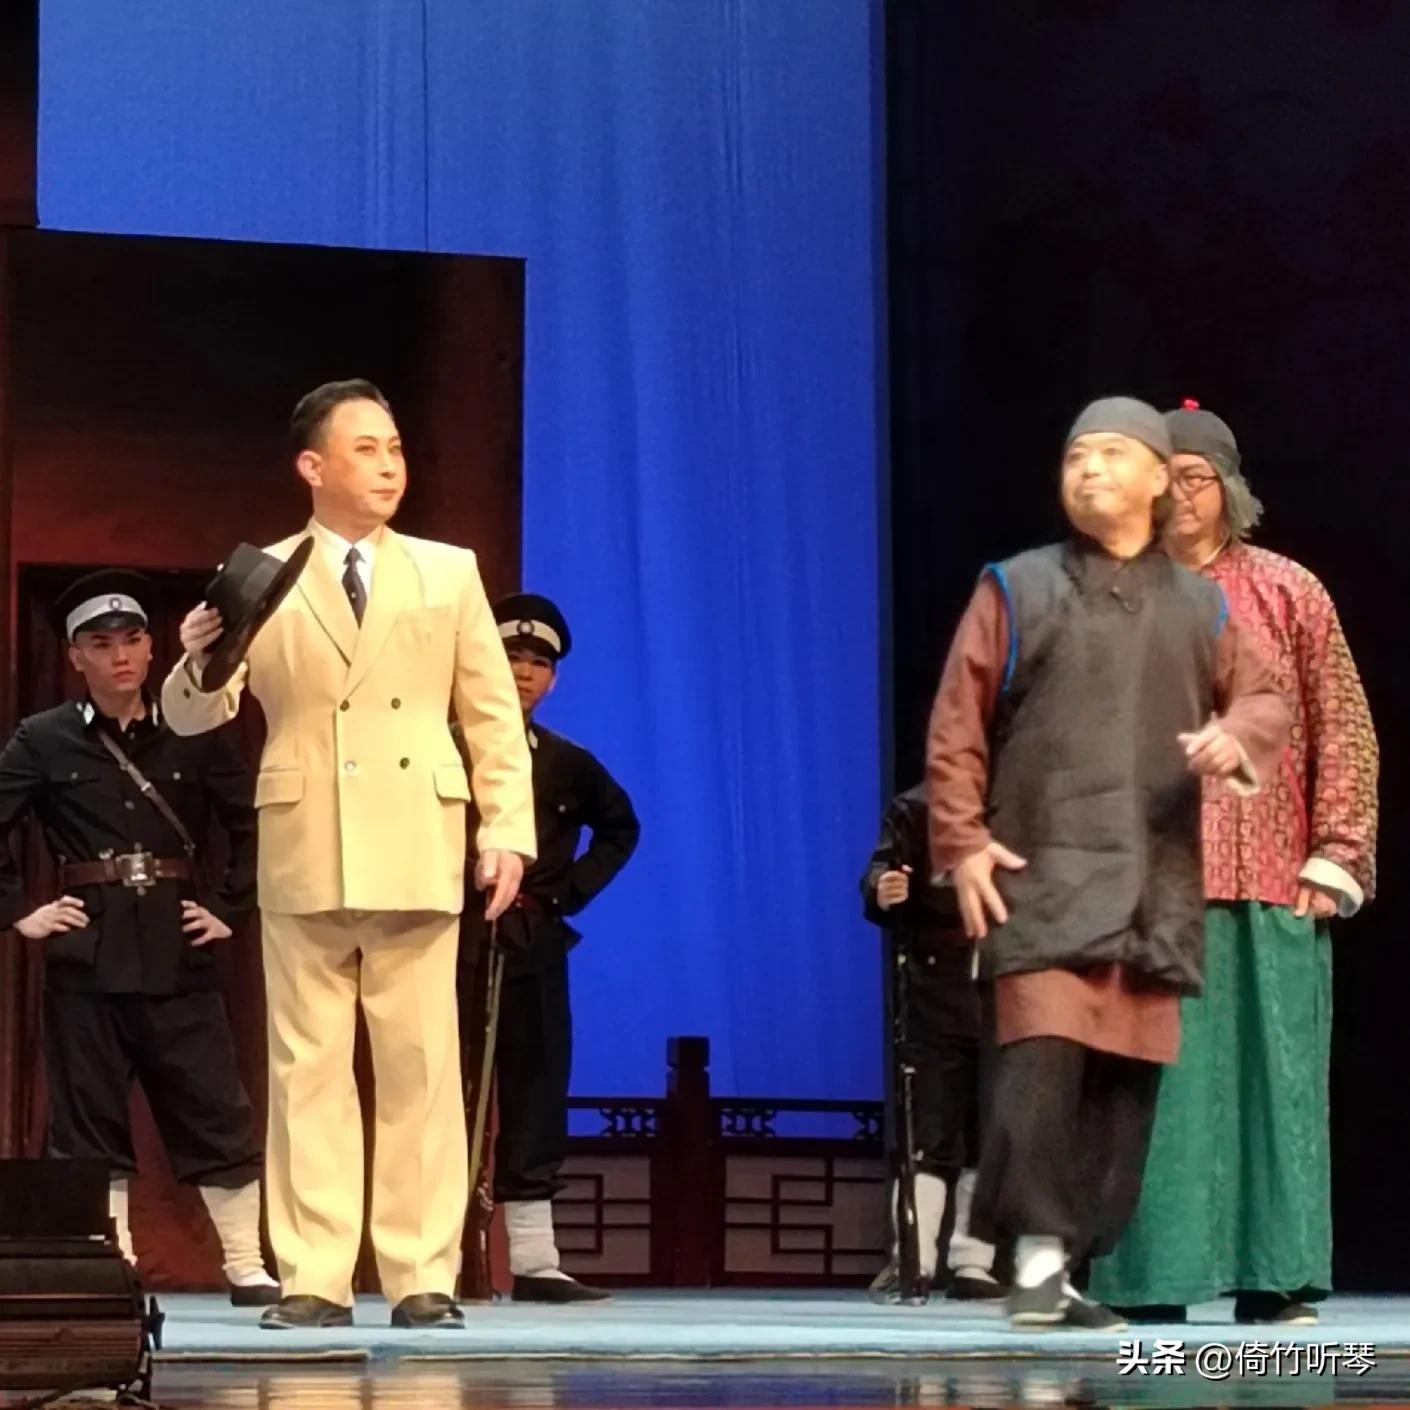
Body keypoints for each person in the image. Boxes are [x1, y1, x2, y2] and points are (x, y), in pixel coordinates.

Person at [161, 379, 535, 1330]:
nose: (387, 465)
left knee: (420, 1064)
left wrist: (505, 830)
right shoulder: (265, 572)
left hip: (415, 830)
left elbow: (491, 714)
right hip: (308, 834)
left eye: (395, 448)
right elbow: (196, 715)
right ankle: (315, 1274)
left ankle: (420, 1272)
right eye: (365, 449)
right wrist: (198, 655)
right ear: (312, 465)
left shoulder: (447, 571)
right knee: (307, 1068)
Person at [925, 397, 1290, 1330]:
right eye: (1075, 456)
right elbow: (958, 725)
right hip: (1040, 868)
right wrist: (961, 841)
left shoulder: (1200, 604)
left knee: (1121, 1092)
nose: (1088, 470)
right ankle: (1037, 1260)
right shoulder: (1017, 587)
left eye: (1112, 454)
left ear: (1161, 477)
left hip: (1152, 880)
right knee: (1040, 1069)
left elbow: (1264, 700)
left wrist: (1235, 737)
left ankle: (1067, 1265)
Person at [1089, 400, 1379, 1327]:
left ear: (1227, 489)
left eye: (1196, 478)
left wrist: (1338, 854)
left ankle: (1276, 1278)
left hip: (1271, 877)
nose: (1178, 495)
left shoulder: (1290, 590)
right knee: (1152, 1087)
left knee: (1273, 1082)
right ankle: (1149, 1279)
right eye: (1162, 478)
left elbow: (1344, 726)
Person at [0, 569, 277, 1304]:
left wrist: (231, 907)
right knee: (88, 1119)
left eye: (132, 639)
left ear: (153, 649)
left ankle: (246, 1263)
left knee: (215, 1107)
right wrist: (18, 911)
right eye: (101, 644)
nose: (120, 655)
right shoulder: (43, 738)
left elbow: (256, 823)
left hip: (178, 944)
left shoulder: (196, 727)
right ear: (75, 657)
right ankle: (111, 1266)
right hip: (87, 952)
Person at [459, 593, 640, 1303]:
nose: (525, 672)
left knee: (536, 1090)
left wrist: (568, 893)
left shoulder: (568, 763)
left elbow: (621, 828)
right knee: (445, 1093)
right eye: (512, 656)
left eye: (540, 662)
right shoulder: (442, 747)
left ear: (554, 679)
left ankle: (534, 1262)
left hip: (533, 941)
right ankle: (436, 1256)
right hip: (450, 941)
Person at [860, 784, 1004, 1304]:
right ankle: (913, 1259)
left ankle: (975, 1262)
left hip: (1005, 988)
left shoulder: (1023, 801)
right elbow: (881, 870)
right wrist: (882, 889)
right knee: (929, 1133)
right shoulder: (917, 807)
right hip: (935, 990)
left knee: (991, 1134)